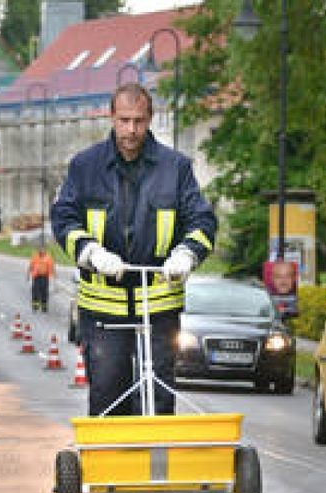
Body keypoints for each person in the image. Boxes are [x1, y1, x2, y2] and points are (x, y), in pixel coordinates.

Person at [51, 82, 218, 416]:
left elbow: (202, 221)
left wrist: (186, 254)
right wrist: (91, 253)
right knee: (108, 392)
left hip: (158, 307)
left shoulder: (176, 169)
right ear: (111, 117)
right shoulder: (85, 167)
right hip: (103, 309)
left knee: (158, 393)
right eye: (124, 120)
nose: (131, 130)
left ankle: (154, 463)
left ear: (151, 118)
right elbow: (63, 219)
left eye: (139, 121)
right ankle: (110, 465)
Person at [27, 246, 55, 312]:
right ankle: (35, 307)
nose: (41, 251)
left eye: (43, 249)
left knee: (44, 292)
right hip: (36, 277)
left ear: (45, 250)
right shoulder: (35, 257)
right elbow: (31, 266)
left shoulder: (49, 258)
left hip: (45, 277)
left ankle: (44, 307)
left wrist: (52, 279)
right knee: (35, 292)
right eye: (40, 249)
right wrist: (28, 275)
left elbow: (51, 268)